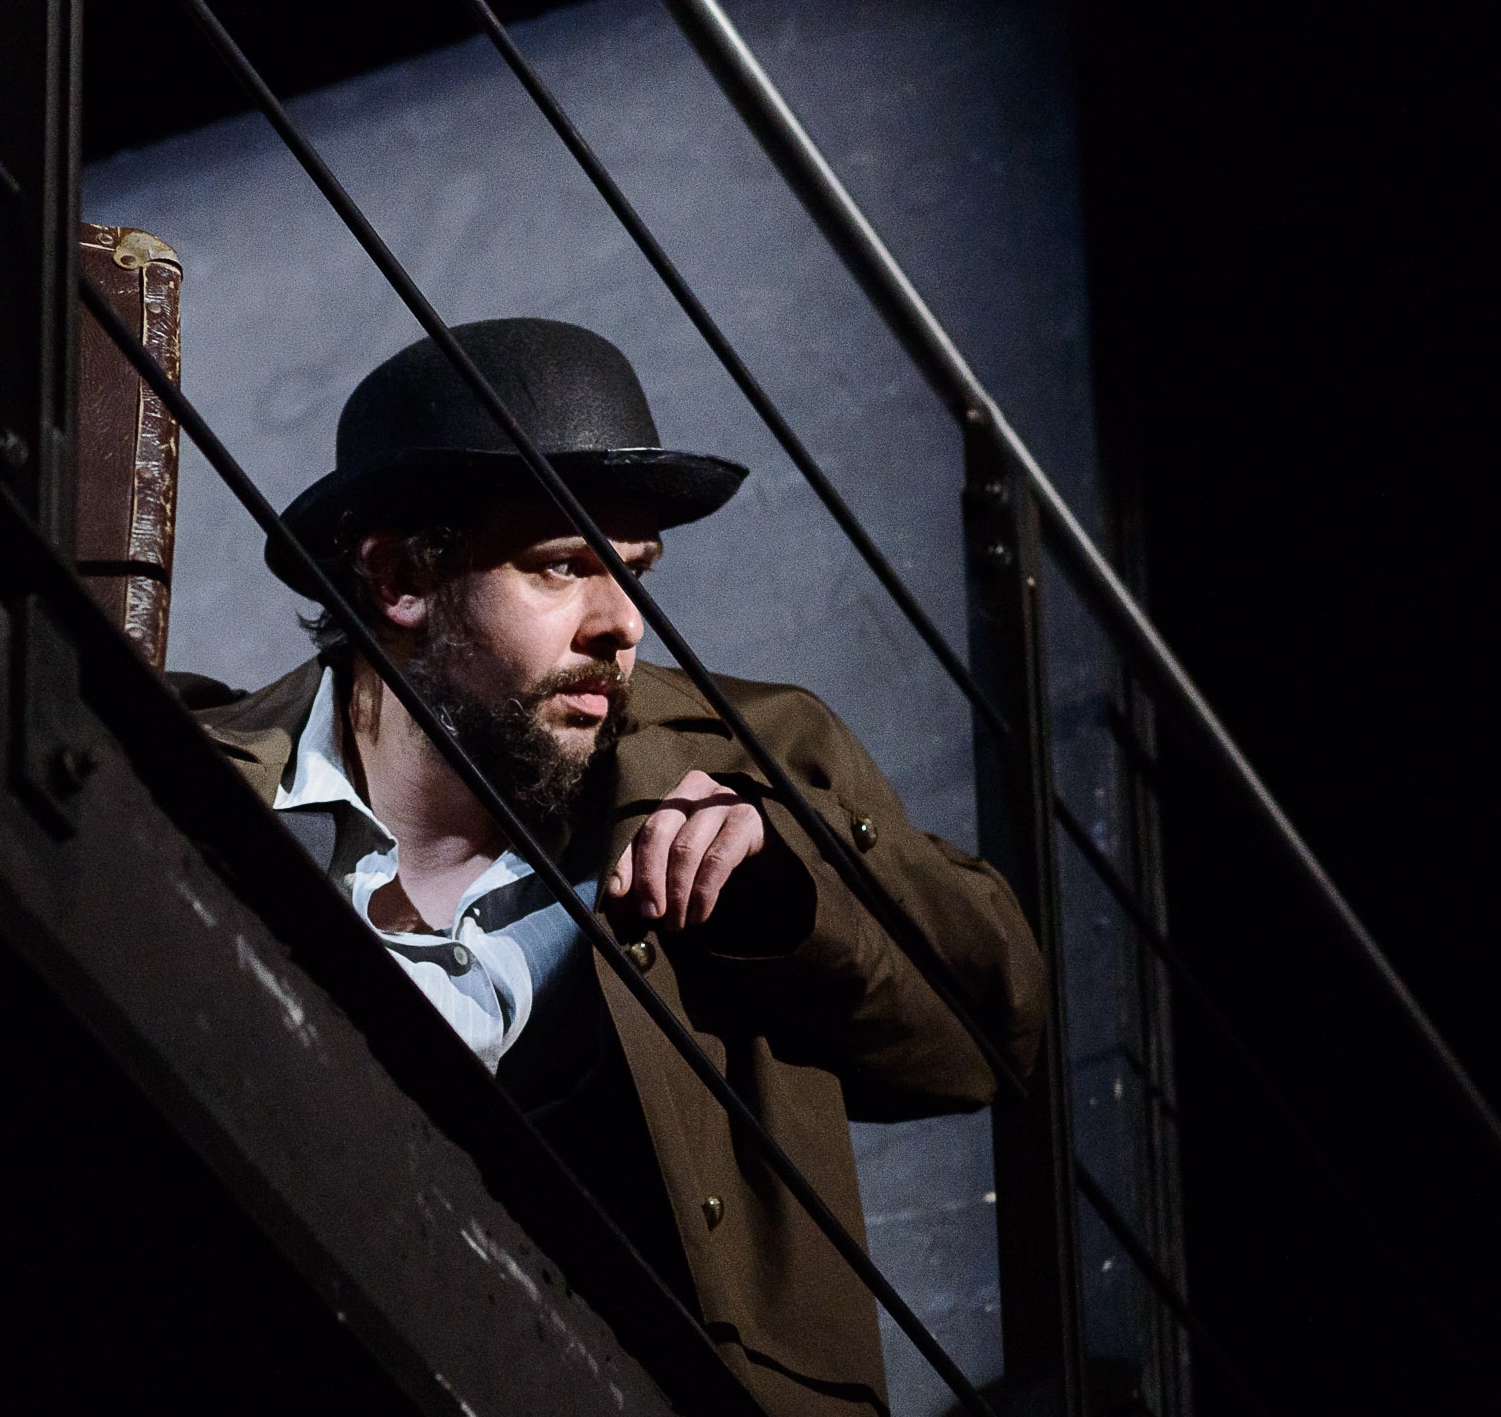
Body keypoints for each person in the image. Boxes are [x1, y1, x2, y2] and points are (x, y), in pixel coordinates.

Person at [191, 318, 1046, 1417]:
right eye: (563, 567)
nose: (623, 624)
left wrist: (792, 893)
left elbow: (994, 1032)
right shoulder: (198, 784)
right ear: (400, 579)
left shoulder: (749, 759)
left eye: (633, 571)